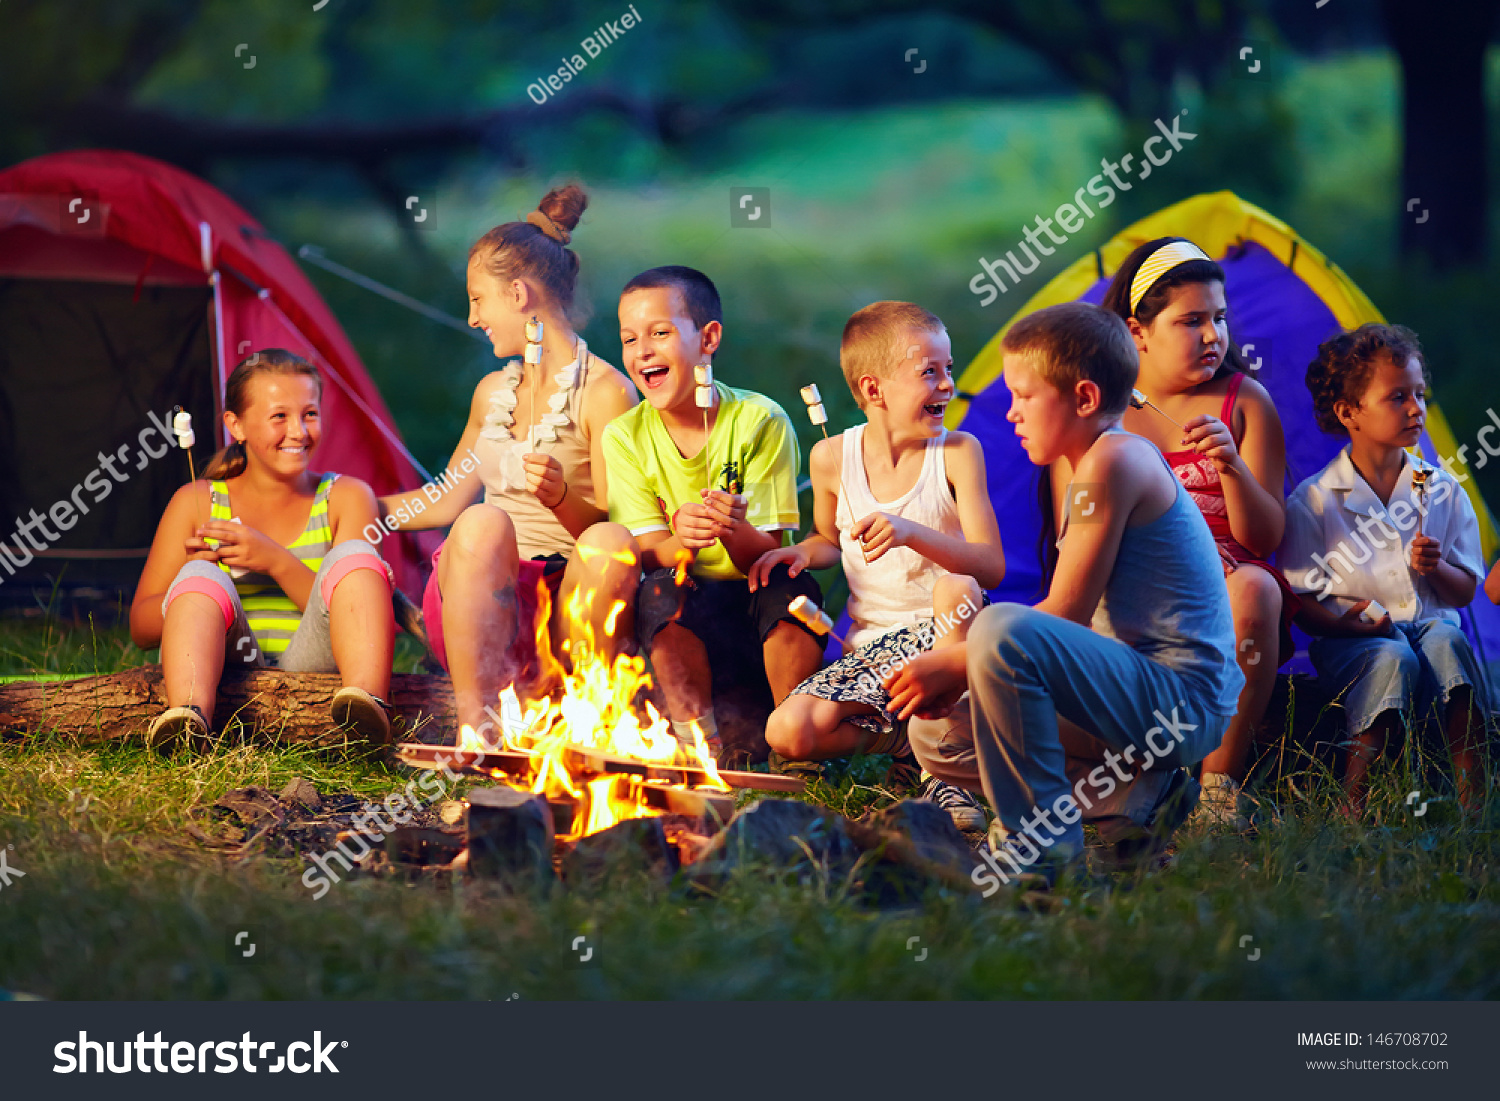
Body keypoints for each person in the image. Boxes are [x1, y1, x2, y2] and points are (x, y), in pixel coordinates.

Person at [886, 302, 1245, 886]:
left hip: (1180, 702)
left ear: (1082, 399)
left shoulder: (1116, 461)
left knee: (1002, 629)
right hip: (1129, 703)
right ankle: (1133, 803)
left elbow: (1065, 615)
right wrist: (959, 673)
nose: (1010, 412)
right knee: (939, 732)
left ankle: (1041, 851)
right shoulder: (1091, 468)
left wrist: (952, 662)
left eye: (1024, 396)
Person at [375, 185, 637, 737]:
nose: (472, 318)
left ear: (517, 294)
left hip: (570, 608)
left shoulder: (606, 392)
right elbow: (446, 498)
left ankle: (582, 716)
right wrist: (360, 508)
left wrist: (562, 498)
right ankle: (481, 726)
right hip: (482, 602)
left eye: (478, 299)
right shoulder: (492, 390)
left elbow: (620, 528)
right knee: (483, 520)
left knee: (608, 545)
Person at [752, 301, 1004, 829]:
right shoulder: (831, 459)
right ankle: (906, 746)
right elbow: (829, 538)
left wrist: (912, 531)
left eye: (949, 370)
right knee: (790, 731)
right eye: (929, 373)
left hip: (948, 637)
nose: (946, 386)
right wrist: (802, 552)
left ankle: (946, 772)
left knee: (955, 587)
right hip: (872, 648)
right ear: (873, 390)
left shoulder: (958, 452)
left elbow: (990, 568)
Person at [1100, 237, 1294, 830]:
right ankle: (1134, 781)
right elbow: (1075, 534)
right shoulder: (1101, 410)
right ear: (1137, 331)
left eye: (1220, 318)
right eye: (1191, 321)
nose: (1213, 336)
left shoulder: (1245, 402)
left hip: (1226, 594)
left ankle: (1218, 789)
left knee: (1257, 588)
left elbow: (1264, 540)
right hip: (1133, 595)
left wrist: (1232, 467)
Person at [595, 265, 823, 759]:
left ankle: (797, 740)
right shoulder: (625, 436)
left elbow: (768, 555)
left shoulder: (759, 420)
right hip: (686, 618)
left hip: (754, 599)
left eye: (660, 333)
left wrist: (731, 527)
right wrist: (685, 542)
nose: (642, 351)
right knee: (657, 592)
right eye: (629, 339)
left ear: (709, 337)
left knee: (793, 587)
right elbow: (649, 554)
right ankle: (700, 743)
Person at [130, 350, 396, 744]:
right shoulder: (197, 501)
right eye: (279, 417)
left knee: (354, 557)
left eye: (309, 414)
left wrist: (275, 560)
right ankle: (188, 718)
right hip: (230, 662)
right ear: (236, 426)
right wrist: (189, 585)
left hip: (315, 665)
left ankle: (367, 709)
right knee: (199, 574)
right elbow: (141, 628)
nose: (299, 432)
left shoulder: (346, 497)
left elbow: (362, 610)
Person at [1279, 323, 1489, 814]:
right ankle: (1353, 801)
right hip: (1354, 643)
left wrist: (1434, 570)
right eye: (1398, 397)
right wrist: (1343, 623)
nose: (1417, 409)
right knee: (1391, 657)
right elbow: (1302, 603)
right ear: (1348, 412)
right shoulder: (1312, 501)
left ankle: (1472, 798)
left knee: (1448, 639)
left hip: (1429, 629)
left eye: (1419, 394)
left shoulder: (1440, 489)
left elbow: (1461, 595)